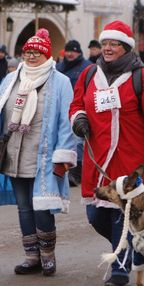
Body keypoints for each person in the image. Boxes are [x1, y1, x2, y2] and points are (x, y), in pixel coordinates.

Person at [69, 20, 144, 286]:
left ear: (126, 47)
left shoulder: (141, 77)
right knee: (95, 215)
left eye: (114, 44)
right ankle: (131, 246)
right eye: (105, 43)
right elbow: (76, 104)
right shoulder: (89, 74)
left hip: (129, 157)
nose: (107, 48)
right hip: (97, 157)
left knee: (120, 214)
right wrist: (79, 119)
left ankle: (120, 269)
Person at [0, 28, 76, 277]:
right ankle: (31, 256)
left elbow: (66, 122)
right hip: (14, 155)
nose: (32, 56)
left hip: (44, 157)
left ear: (47, 55)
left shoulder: (60, 82)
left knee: (41, 207)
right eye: (28, 52)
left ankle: (48, 255)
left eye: (37, 52)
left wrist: (64, 155)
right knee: (24, 207)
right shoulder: (11, 78)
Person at [56, 39, 93, 186]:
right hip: (60, 108)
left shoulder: (88, 67)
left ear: (79, 52)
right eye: (68, 51)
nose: (70, 54)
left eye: (73, 51)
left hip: (79, 108)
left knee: (77, 140)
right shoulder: (59, 66)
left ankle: (76, 172)